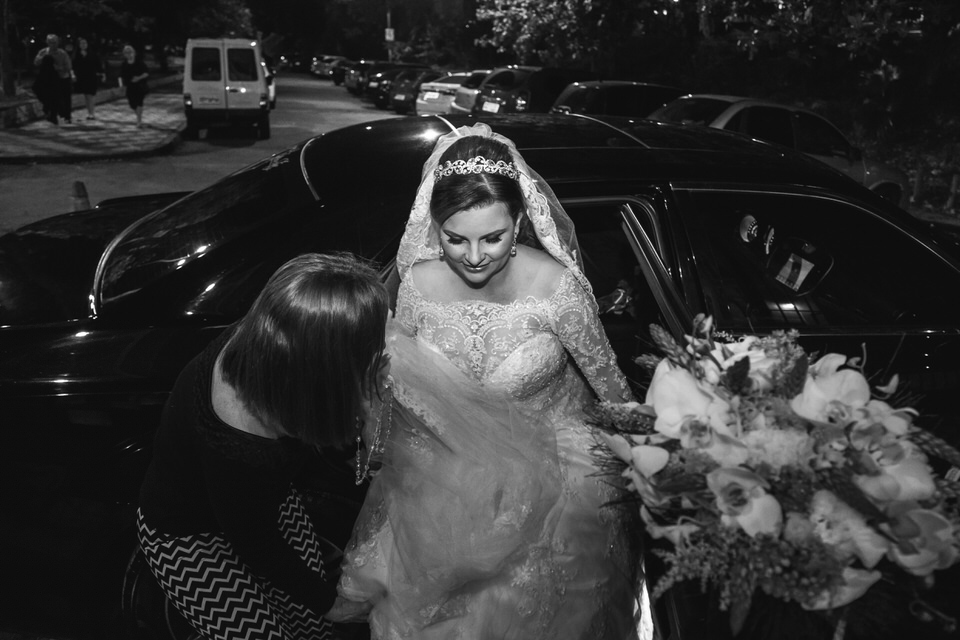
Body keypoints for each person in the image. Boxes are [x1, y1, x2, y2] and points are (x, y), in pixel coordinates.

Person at [331, 123, 643, 639]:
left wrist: (658, 467)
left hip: (558, 489)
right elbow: (390, 378)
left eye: (493, 238)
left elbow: (613, 392)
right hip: (443, 481)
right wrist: (375, 434)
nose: (474, 257)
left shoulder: (558, 289)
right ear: (435, 228)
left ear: (519, 220)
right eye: (456, 239)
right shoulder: (417, 287)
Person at [137, 252, 390, 640]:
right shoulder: (243, 446)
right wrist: (330, 604)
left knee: (310, 628)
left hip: (257, 503)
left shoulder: (274, 339)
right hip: (187, 535)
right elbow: (258, 545)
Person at [33, 34, 74, 124]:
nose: (53, 45)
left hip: (61, 78)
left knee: (64, 98)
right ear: (47, 43)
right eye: (50, 42)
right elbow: (36, 62)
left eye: (54, 42)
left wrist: (58, 68)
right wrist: (42, 59)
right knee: (42, 93)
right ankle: (50, 112)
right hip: (47, 79)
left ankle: (66, 115)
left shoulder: (62, 53)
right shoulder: (43, 52)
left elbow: (68, 66)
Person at [72, 36, 103, 120]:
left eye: (85, 43)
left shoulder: (92, 54)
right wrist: (73, 75)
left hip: (91, 77)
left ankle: (91, 113)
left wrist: (102, 74)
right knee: (86, 95)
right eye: (81, 43)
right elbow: (73, 66)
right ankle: (89, 112)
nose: (83, 45)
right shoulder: (76, 55)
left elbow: (98, 65)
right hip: (82, 77)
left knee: (90, 95)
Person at [119, 44, 149, 127]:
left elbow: (146, 73)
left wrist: (138, 78)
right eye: (126, 52)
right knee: (132, 104)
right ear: (124, 54)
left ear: (134, 53)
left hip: (140, 86)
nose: (129, 54)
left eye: (130, 52)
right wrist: (121, 85)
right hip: (130, 87)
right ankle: (139, 116)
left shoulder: (139, 63)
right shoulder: (124, 64)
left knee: (139, 102)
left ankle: (139, 121)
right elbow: (120, 76)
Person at [32, 54, 60, 125]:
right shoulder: (54, 71)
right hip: (53, 91)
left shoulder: (42, 70)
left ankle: (48, 113)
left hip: (44, 91)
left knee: (47, 103)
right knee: (54, 103)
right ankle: (53, 116)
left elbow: (37, 84)